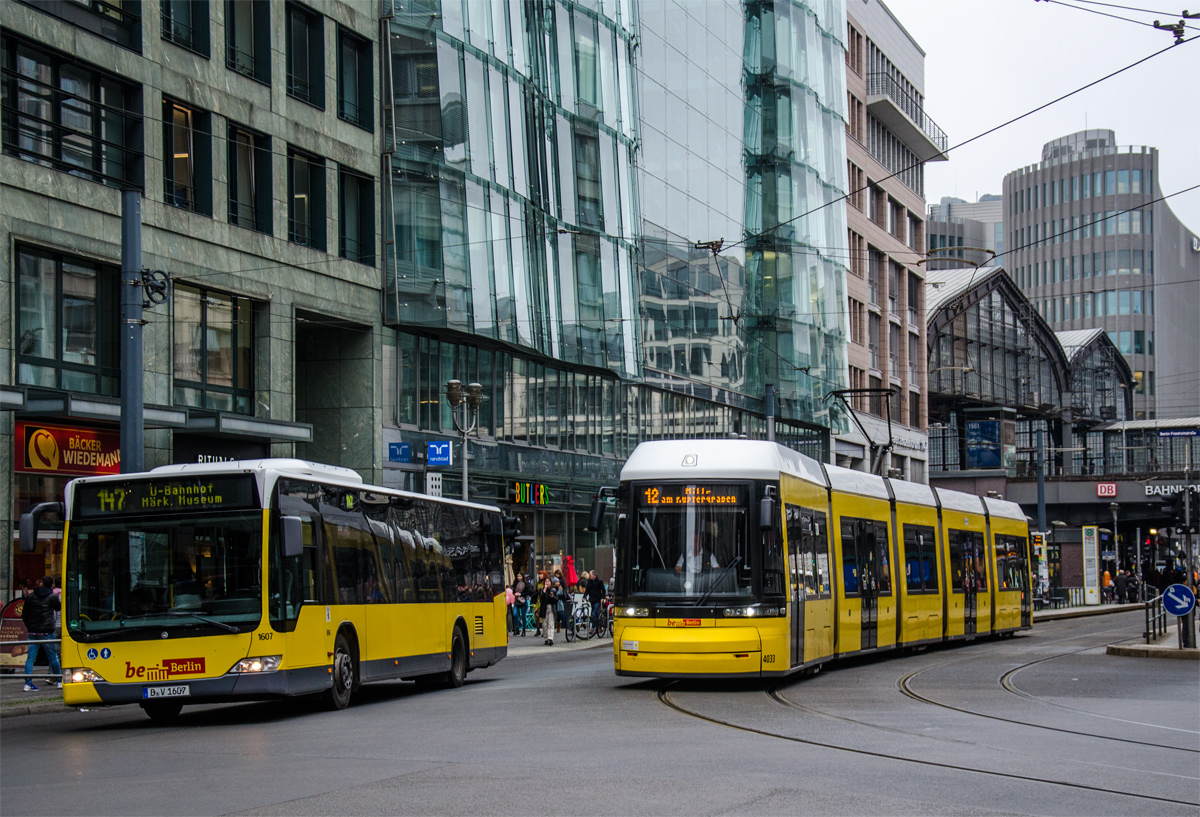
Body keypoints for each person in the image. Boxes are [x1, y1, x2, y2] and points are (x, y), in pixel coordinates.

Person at [21, 576, 61, 692]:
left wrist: (29, 626)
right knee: (53, 657)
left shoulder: (31, 596)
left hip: (32, 630)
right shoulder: (52, 596)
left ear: (41, 583)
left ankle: (28, 684)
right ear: (51, 585)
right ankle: (59, 681)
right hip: (47, 630)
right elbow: (58, 608)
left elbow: (24, 614)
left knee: (30, 658)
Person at [538, 577, 560, 646]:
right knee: (544, 624)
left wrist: (552, 597)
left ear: (551, 582)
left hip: (551, 608)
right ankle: (546, 638)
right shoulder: (542, 590)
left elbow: (556, 599)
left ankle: (550, 638)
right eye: (546, 581)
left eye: (548, 581)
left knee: (551, 623)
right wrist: (544, 590)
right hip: (544, 608)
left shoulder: (553, 590)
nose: (547, 583)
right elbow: (541, 599)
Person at [511, 572, 530, 636]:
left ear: (522, 577)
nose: (519, 577)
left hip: (523, 600)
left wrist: (520, 594)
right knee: (515, 614)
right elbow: (513, 591)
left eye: (520, 576)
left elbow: (528, 592)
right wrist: (515, 593)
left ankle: (524, 630)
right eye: (518, 576)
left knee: (523, 616)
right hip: (516, 600)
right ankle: (517, 628)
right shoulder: (515, 583)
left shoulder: (526, 584)